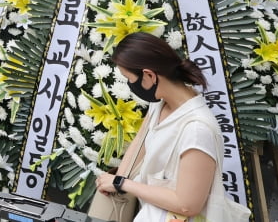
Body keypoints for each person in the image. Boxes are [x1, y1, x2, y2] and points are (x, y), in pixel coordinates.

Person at [95, 32, 246, 221]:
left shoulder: (197, 129)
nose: (130, 85)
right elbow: (139, 144)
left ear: (149, 75)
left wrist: (121, 183)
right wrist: (115, 182)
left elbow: (187, 204)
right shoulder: (159, 103)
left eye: (129, 78)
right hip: (152, 209)